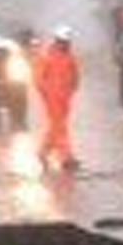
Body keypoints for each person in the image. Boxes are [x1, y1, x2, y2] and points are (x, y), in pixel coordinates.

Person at [33, 25, 81, 173]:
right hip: (52, 99)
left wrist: (72, 90)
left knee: (56, 128)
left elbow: (75, 76)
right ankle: (66, 158)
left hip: (65, 98)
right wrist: (47, 94)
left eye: (66, 42)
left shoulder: (70, 57)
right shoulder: (46, 57)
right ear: (57, 41)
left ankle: (42, 152)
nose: (65, 44)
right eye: (62, 41)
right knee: (60, 128)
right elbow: (38, 80)